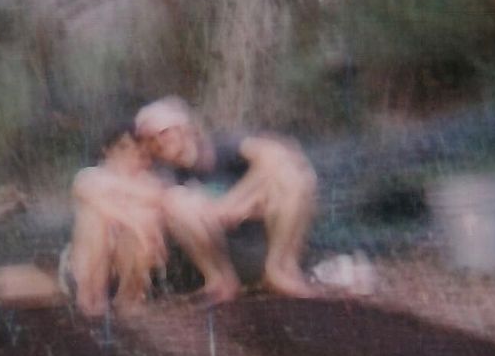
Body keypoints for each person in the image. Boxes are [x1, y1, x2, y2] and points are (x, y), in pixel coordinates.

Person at [134, 96, 317, 304]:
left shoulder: (222, 147)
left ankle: (280, 270)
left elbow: (276, 155)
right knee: (174, 201)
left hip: (266, 237)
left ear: (184, 129)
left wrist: (234, 204)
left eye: (163, 132)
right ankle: (220, 281)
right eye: (149, 139)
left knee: (291, 174)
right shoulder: (163, 173)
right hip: (225, 249)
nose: (158, 142)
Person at [66, 122, 170, 318]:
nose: (130, 153)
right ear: (107, 150)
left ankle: (128, 298)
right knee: (94, 217)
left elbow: (157, 197)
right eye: (123, 147)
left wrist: (136, 224)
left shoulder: (147, 180)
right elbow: (91, 197)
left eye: (136, 147)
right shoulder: (90, 175)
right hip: (86, 268)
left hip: (129, 264)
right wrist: (134, 223)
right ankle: (91, 295)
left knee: (145, 218)